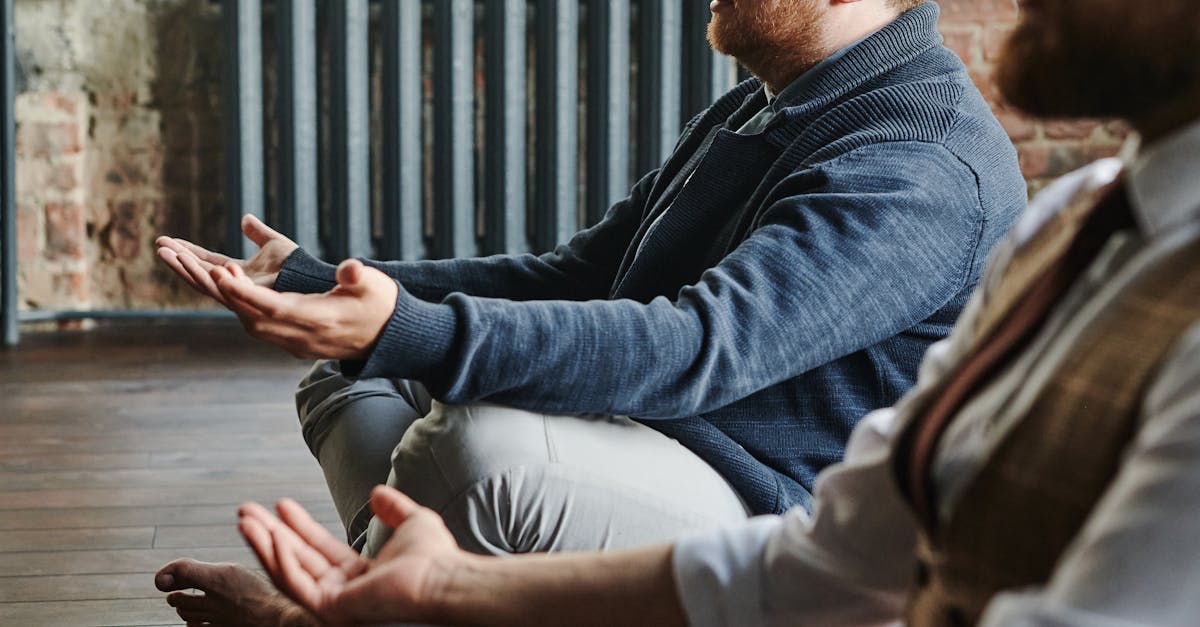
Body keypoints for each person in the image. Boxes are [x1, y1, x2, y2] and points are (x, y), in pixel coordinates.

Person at [162, 0, 1200, 624]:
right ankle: (372, 593)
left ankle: (344, 601)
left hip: (754, 484)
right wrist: (326, 285)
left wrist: (414, 329)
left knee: (474, 445)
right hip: (713, 477)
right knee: (359, 380)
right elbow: (584, 270)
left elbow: (699, 345)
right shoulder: (1080, 216)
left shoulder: (922, 165)